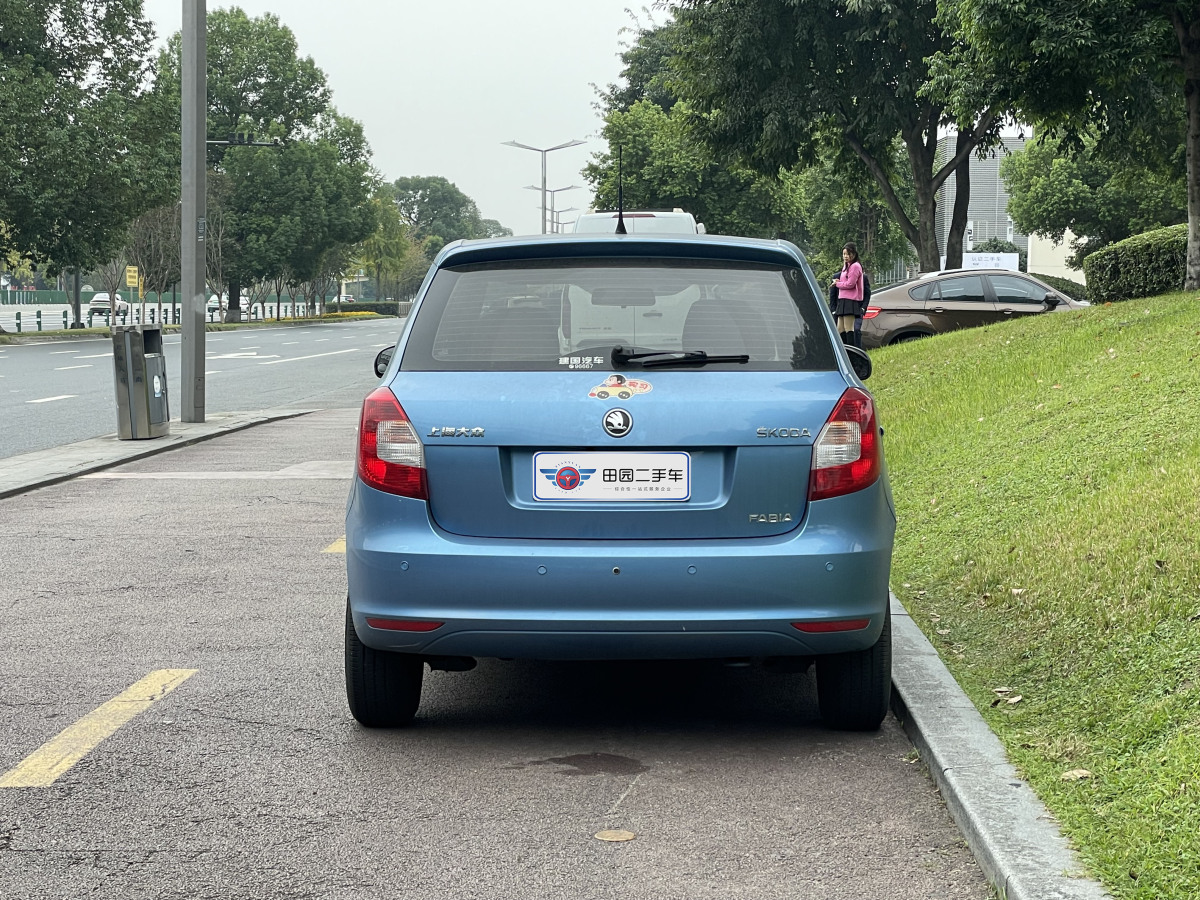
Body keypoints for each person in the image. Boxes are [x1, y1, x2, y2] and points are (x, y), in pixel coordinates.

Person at [829, 242, 864, 348]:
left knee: (849, 328)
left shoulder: (855, 266)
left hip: (850, 300)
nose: (845, 256)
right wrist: (838, 281)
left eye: (847, 254)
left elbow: (851, 284)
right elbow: (846, 281)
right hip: (842, 299)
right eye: (844, 254)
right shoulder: (846, 266)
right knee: (840, 329)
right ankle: (845, 351)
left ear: (853, 254)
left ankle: (851, 352)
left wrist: (838, 284)